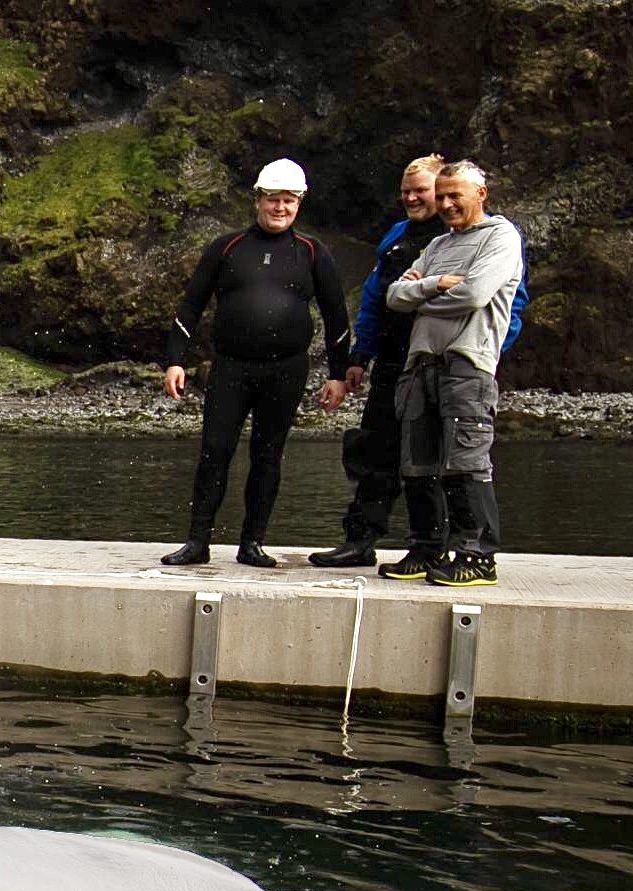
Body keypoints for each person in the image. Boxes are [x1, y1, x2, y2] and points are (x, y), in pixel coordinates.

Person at [313, 156, 530, 567]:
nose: (418, 199)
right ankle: (371, 540)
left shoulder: (492, 237)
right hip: (402, 360)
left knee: (459, 459)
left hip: (461, 359)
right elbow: (383, 296)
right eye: (406, 191)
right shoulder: (410, 239)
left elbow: (493, 299)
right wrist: (360, 355)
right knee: (390, 455)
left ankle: (464, 551)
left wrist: (485, 347)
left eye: (427, 191)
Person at [160, 159, 350, 567]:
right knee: (215, 450)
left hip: (285, 369)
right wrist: (175, 360)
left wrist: (338, 374)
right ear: (258, 200)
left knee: (268, 454)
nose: (279, 208)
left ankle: (252, 543)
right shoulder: (227, 247)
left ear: (299, 203)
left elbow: (337, 317)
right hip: (231, 366)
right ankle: (197, 542)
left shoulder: (313, 252)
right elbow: (191, 304)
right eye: (272, 200)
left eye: (288, 201)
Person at [379, 160, 525, 587]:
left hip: (467, 364)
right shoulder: (439, 244)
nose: (444, 204)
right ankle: (427, 548)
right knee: (418, 464)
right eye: (440, 196)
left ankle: (478, 556)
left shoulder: (501, 237)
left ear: (480, 194)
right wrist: (436, 283)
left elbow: (475, 294)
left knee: (466, 462)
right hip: (420, 363)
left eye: (453, 195)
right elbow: (394, 295)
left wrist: (423, 292)